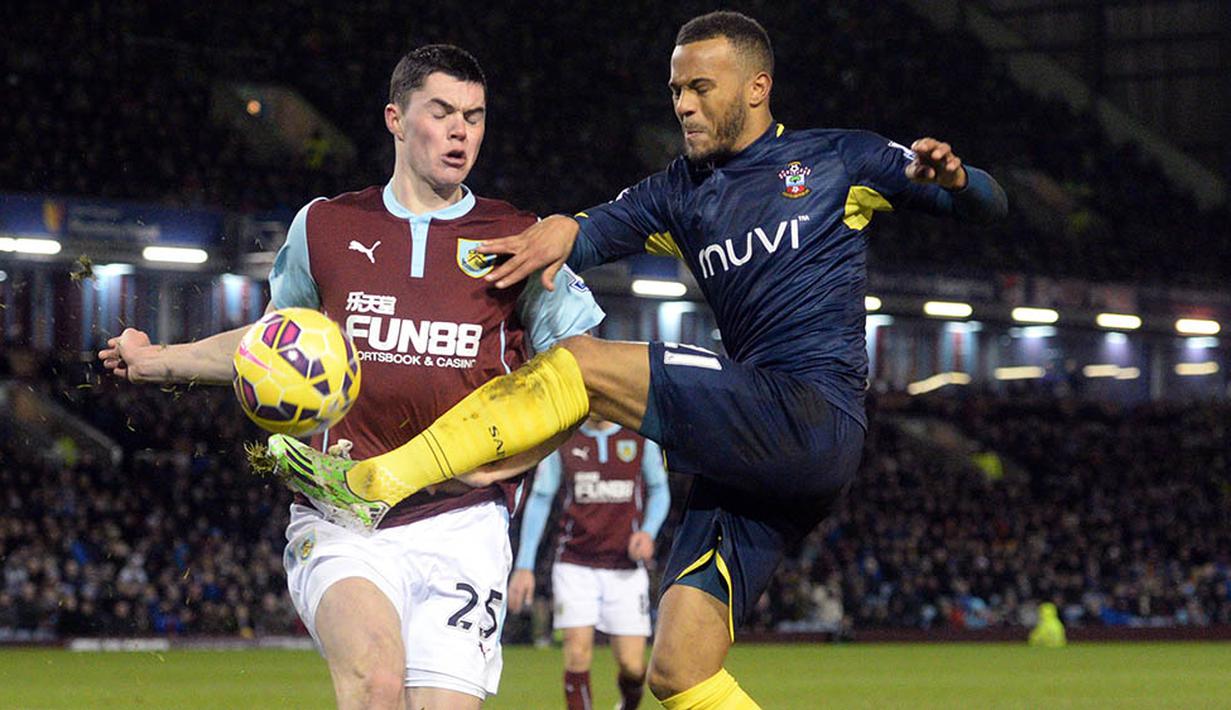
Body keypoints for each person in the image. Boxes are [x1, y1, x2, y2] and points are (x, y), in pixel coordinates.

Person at [276, 11, 1007, 708]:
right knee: (678, 673)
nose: (683, 106)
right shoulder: (679, 194)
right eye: (675, 91)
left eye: (699, 88)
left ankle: (381, 478)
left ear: (756, 88)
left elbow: (987, 206)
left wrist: (956, 179)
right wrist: (544, 235)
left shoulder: (837, 158)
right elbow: (587, 233)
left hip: (811, 410)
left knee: (585, 366)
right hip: (750, 446)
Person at [99, 45, 604, 709]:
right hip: (342, 514)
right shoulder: (327, 225)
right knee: (377, 684)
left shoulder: (517, 236)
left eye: (474, 117)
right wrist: (159, 357)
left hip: (463, 525)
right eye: (441, 112)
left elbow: (585, 375)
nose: (460, 131)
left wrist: (506, 464)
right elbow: (277, 348)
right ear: (395, 118)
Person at [508, 416, 670, 710]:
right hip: (574, 563)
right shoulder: (563, 440)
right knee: (577, 654)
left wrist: (648, 532)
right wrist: (524, 565)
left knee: (633, 666)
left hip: (625, 567)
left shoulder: (639, 437)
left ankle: (628, 703)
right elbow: (541, 498)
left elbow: (660, 490)